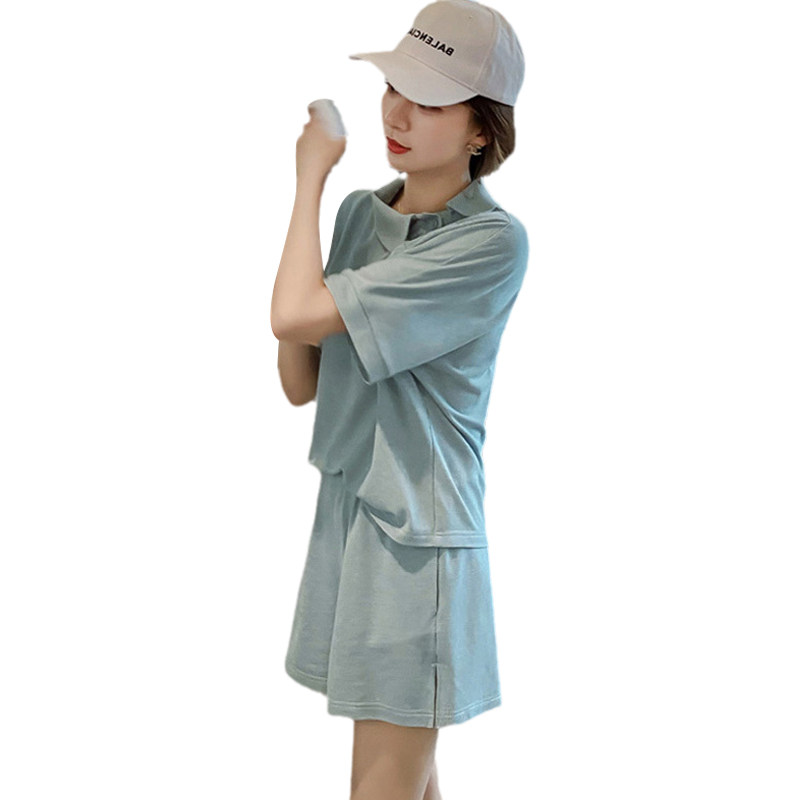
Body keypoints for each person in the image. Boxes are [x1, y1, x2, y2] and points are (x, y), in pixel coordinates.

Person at [270, 1, 527, 798]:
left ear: (481, 129)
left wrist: (309, 178)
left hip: (418, 550)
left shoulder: (489, 244)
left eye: (431, 101)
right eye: (394, 88)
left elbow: (293, 315)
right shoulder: (363, 215)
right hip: (350, 529)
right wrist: (324, 214)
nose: (398, 114)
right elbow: (300, 381)